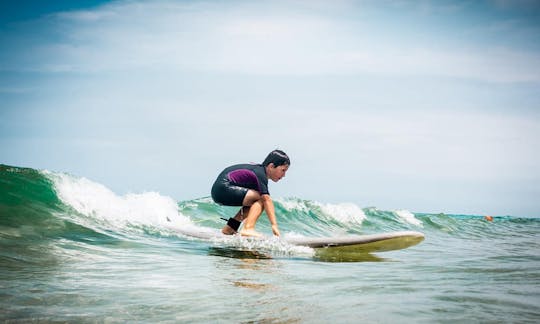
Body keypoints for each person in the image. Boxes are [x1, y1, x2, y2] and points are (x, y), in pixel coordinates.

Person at [211, 150, 290, 237]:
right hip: (223, 188)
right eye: (283, 170)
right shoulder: (260, 173)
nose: (284, 175)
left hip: (219, 190)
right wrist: (274, 225)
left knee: (253, 203)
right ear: (271, 166)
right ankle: (248, 228)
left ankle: (229, 229)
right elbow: (267, 200)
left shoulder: (258, 171)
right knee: (261, 198)